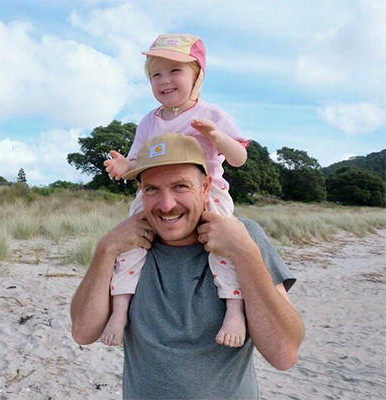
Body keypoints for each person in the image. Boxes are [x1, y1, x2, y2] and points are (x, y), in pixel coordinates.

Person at [71, 132, 304, 399]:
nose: (166, 205)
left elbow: (284, 354)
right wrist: (105, 249)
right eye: (152, 189)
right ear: (140, 192)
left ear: (206, 187)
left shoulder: (244, 236)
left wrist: (244, 253)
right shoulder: (126, 246)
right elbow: (83, 333)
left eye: (180, 186)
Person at [102, 33, 250, 347]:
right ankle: (119, 309)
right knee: (131, 241)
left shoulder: (212, 114)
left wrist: (217, 137)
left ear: (198, 75)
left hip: (206, 194)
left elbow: (239, 158)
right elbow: (135, 162)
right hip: (154, 193)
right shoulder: (148, 122)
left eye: (175, 71)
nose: (164, 81)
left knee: (225, 242)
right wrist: (123, 168)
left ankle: (235, 309)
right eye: (156, 74)